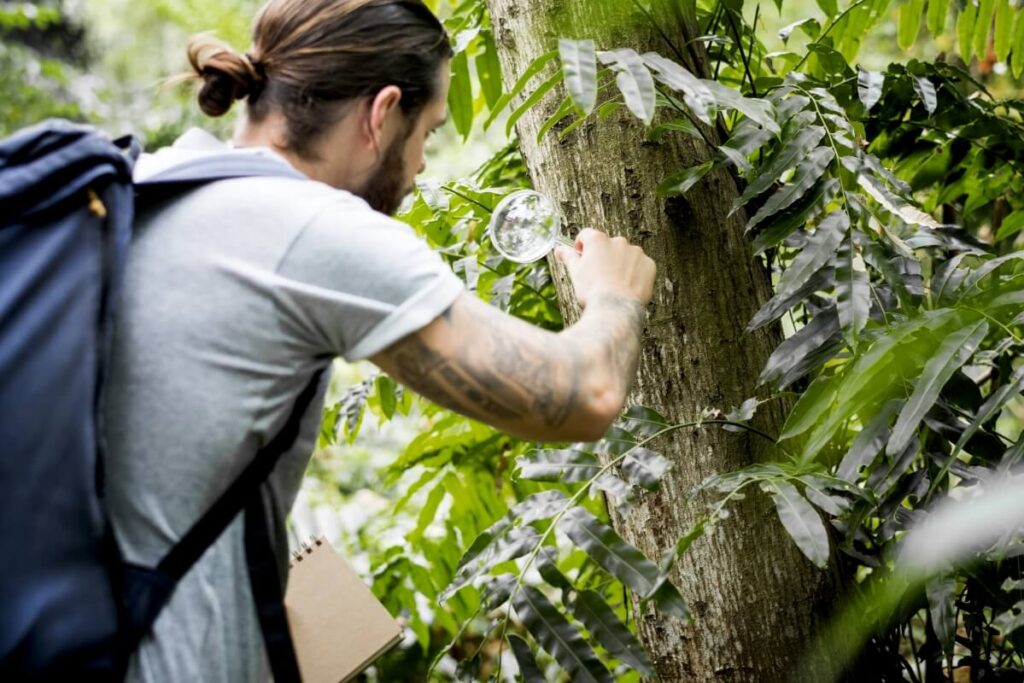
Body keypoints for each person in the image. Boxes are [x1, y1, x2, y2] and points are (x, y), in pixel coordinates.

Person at [103, 0, 656, 680]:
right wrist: (615, 296)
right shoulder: (312, 228)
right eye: (427, 132)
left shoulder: (144, 183)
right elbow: (583, 395)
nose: (420, 164)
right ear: (382, 112)